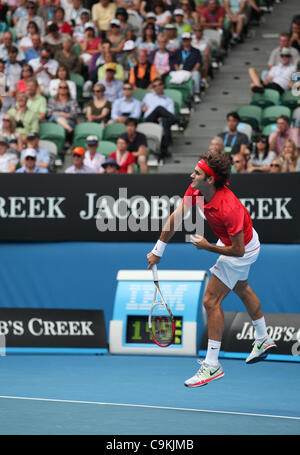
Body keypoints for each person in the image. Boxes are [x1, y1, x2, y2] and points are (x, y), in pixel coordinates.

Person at [146, 149, 276, 387]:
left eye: (196, 173)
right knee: (242, 288)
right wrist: (158, 250)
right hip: (239, 242)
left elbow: (238, 251)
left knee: (210, 301)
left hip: (242, 249)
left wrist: (207, 247)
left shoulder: (229, 207)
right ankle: (263, 338)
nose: (190, 175)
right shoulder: (196, 190)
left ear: (210, 179)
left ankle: (212, 364)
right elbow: (176, 217)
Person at [142, 77, 180, 158]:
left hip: (160, 120)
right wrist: (142, 107)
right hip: (149, 119)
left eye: (159, 85)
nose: (157, 87)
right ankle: (178, 120)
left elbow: (170, 114)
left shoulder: (169, 100)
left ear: (163, 85)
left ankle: (163, 151)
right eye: (154, 86)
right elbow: (141, 107)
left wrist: (162, 118)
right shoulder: (148, 96)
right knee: (159, 108)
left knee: (166, 121)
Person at [174, 32, 202, 103]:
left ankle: (196, 94)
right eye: (184, 40)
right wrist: (178, 71)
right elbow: (175, 63)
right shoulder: (178, 51)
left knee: (196, 74)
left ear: (190, 40)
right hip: (180, 71)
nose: (185, 42)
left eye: (187, 40)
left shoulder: (196, 51)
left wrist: (192, 71)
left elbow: (198, 63)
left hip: (191, 71)